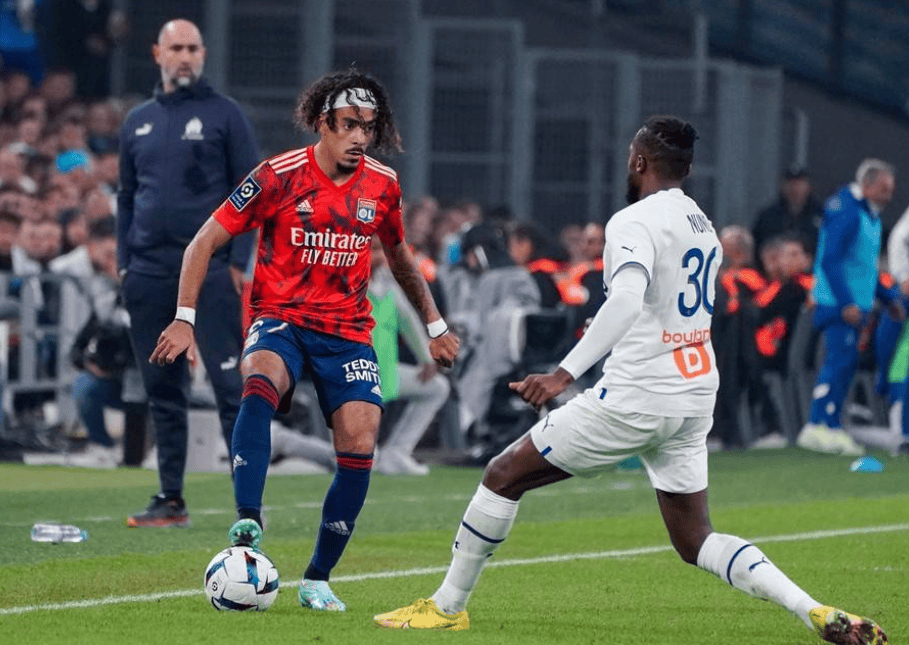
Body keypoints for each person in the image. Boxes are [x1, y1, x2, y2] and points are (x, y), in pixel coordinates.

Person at [373, 116, 888, 645]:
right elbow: (671, 307)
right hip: (693, 395)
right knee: (695, 539)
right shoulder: (701, 222)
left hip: (638, 395)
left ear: (639, 161)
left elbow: (625, 300)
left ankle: (447, 606)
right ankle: (810, 608)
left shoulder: (633, 220)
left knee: (502, 475)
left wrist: (562, 374)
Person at [150, 68, 459, 611]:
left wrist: (435, 327)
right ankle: (249, 518)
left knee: (361, 441)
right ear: (322, 123)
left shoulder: (383, 184)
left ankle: (318, 577)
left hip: (347, 331)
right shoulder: (277, 176)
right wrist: (184, 318)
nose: (360, 137)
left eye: (369, 126)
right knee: (259, 377)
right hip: (282, 318)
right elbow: (203, 241)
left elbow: (401, 257)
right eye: (349, 124)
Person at [118, 19, 259, 527]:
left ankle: (248, 506)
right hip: (147, 272)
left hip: (211, 270)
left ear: (203, 54)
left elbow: (251, 191)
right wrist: (123, 262)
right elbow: (127, 198)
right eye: (175, 47)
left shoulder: (226, 115)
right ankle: (170, 499)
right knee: (163, 389)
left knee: (230, 389)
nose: (184, 56)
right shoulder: (137, 121)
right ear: (157, 53)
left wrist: (238, 261)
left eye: (193, 48)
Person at [797, 159, 899, 456]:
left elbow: (864, 267)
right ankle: (818, 424)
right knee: (838, 361)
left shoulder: (867, 214)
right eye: (884, 189)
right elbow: (830, 260)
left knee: (846, 363)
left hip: (853, 305)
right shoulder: (847, 211)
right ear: (867, 185)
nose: (889, 196)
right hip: (838, 304)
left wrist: (888, 299)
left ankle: (830, 424)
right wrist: (846, 303)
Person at [369, 235, 450, 475]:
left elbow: (408, 320)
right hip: (350, 375)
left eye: (381, 249)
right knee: (355, 458)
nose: (380, 255)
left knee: (437, 387)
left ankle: (397, 453)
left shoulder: (387, 282)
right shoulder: (343, 283)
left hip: (385, 370)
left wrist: (426, 357)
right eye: (373, 249)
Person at [751, 164, 823, 267]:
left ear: (809, 186)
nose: (795, 188)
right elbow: (757, 246)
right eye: (791, 184)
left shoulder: (821, 214)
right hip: (774, 272)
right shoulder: (768, 216)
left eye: (800, 184)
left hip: (813, 271)